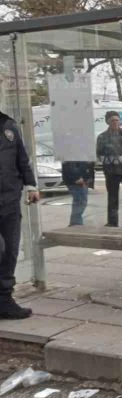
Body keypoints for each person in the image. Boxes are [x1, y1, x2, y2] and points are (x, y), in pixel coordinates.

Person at [0, 109, 39, 319]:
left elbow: (22, 159)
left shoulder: (9, 127)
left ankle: (4, 300)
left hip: (9, 200)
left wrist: (31, 185)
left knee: (11, 250)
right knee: (1, 248)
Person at [96, 111, 122, 227]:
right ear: (108, 122)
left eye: (117, 120)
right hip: (111, 172)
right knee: (112, 198)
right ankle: (112, 221)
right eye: (113, 120)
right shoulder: (102, 137)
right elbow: (99, 153)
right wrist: (109, 162)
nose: (116, 123)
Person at [62, 161, 94, 226]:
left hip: (77, 179)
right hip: (77, 180)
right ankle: (76, 224)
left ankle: (75, 223)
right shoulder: (76, 155)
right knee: (80, 203)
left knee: (79, 202)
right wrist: (80, 177)